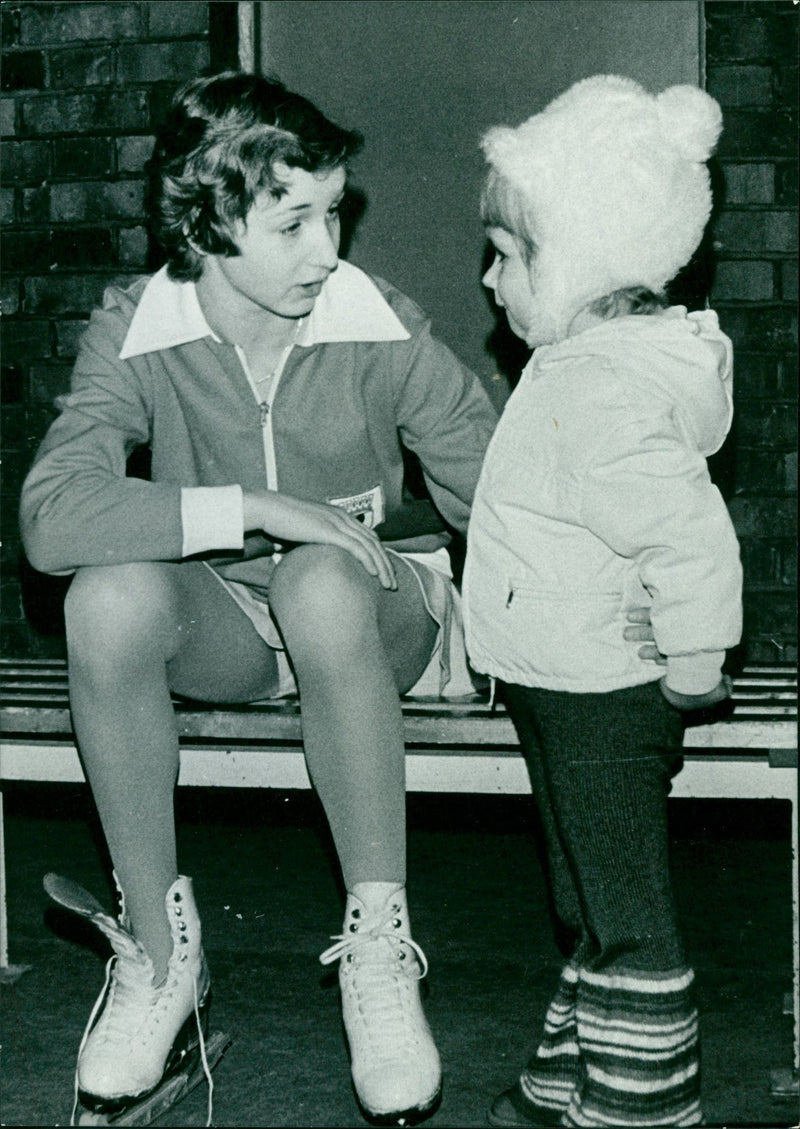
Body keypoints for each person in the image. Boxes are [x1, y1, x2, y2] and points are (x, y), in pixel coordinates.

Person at [19, 71, 499, 1127]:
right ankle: (156, 950)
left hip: (375, 612)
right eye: (293, 221)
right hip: (233, 624)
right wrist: (252, 506)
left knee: (320, 578)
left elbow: (504, 495)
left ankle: (377, 942)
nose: (328, 248)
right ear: (207, 220)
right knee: (103, 600)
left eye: (332, 213)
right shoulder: (137, 329)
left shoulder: (381, 329)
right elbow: (51, 520)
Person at [462, 75, 743, 1128]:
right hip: (559, 680)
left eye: (506, 254)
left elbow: (685, 533)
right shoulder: (584, 367)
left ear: (575, 260)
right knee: (582, 890)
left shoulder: (596, 385)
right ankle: (578, 1066)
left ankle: (639, 1105)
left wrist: (691, 664)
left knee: (621, 905)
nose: (488, 279)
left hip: (600, 696)